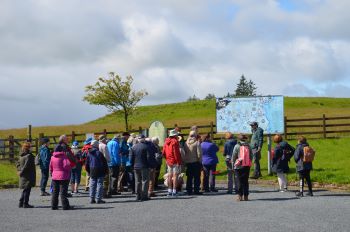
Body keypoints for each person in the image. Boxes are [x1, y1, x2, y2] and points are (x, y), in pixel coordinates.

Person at [50, 135, 74, 210]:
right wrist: (70, 168)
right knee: (63, 192)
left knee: (55, 192)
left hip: (54, 176)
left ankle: (54, 206)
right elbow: (66, 166)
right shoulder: (64, 157)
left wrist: (52, 174)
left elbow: (50, 167)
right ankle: (65, 206)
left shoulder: (52, 157)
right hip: (63, 176)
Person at [129, 135, 151, 201]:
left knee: (137, 181)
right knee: (145, 181)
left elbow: (131, 158)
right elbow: (148, 157)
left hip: (136, 166)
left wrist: (132, 165)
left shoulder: (133, 147)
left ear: (138, 139)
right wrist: (149, 165)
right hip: (144, 166)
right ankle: (144, 196)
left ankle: (137, 195)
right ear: (144, 139)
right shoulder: (146, 147)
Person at [232, 134, 253, 201]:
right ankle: (246, 196)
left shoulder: (237, 146)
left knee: (239, 181)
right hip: (246, 166)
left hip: (238, 166)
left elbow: (234, 156)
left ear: (239, 139)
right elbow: (251, 156)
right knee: (245, 181)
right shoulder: (248, 146)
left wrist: (233, 165)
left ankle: (239, 196)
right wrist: (249, 162)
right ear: (245, 139)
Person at [162, 129, 182, 197]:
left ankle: (169, 190)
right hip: (175, 161)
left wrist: (167, 159)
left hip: (169, 161)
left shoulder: (166, 141)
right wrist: (178, 161)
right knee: (175, 176)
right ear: (175, 135)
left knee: (170, 176)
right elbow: (176, 153)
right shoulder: (175, 142)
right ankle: (174, 191)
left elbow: (164, 152)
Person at [17, 142, 36, 208]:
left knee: (25, 189)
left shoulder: (21, 155)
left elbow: (18, 164)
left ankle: (21, 203)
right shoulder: (29, 156)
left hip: (23, 175)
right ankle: (25, 203)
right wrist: (21, 172)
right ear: (28, 148)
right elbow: (26, 166)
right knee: (27, 190)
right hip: (28, 175)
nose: (32, 148)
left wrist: (19, 171)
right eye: (31, 147)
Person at [183, 130, 202, 195]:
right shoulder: (197, 143)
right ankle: (196, 190)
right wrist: (200, 161)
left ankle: (189, 190)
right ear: (195, 135)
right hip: (195, 162)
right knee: (196, 177)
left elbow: (184, 152)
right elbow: (199, 154)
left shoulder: (185, 143)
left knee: (189, 177)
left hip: (188, 162)